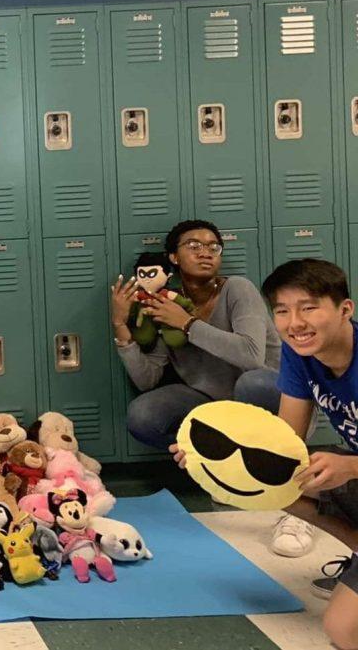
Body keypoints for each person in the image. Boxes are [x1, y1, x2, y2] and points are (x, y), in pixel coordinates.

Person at [174, 258, 358, 650]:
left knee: (344, 630)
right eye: (282, 310)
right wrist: (209, 459)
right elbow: (283, 446)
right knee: (284, 484)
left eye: (309, 307)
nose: (295, 322)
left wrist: (352, 465)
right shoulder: (300, 353)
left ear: (345, 309)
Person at [109, 220, 311, 556]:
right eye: (194, 245)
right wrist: (120, 325)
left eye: (214, 246)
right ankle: (219, 467)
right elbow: (147, 379)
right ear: (172, 257)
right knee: (143, 414)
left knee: (250, 383)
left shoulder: (238, 289)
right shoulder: (167, 301)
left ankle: (287, 484)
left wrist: (187, 324)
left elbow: (251, 356)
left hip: (270, 394)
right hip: (212, 401)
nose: (206, 252)